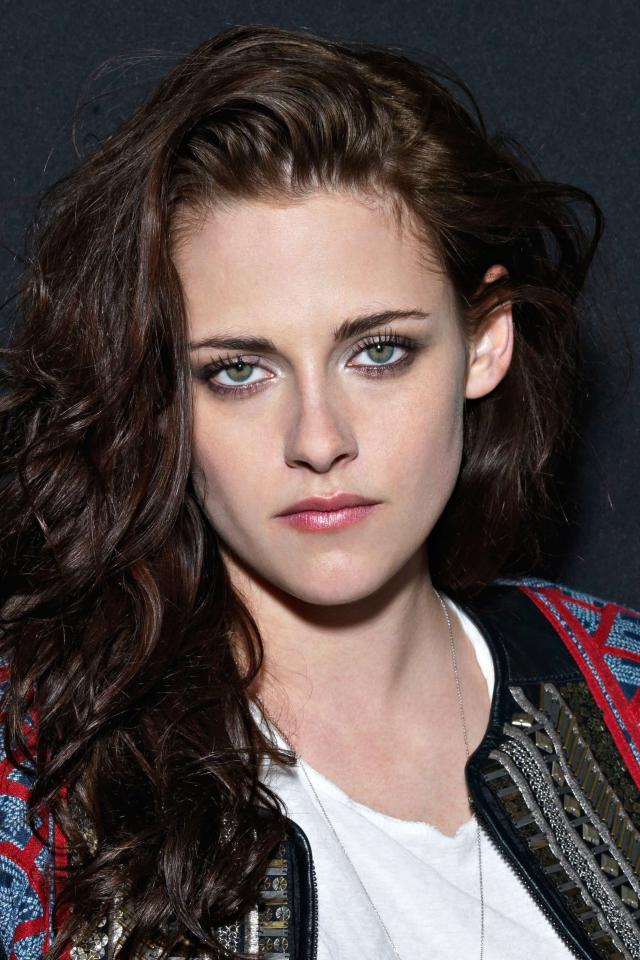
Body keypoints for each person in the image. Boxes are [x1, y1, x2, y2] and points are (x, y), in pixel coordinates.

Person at [1, 21, 638, 960]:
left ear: (485, 340)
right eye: (239, 371)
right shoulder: (37, 772)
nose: (318, 440)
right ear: (164, 395)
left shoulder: (621, 691)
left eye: (378, 352)